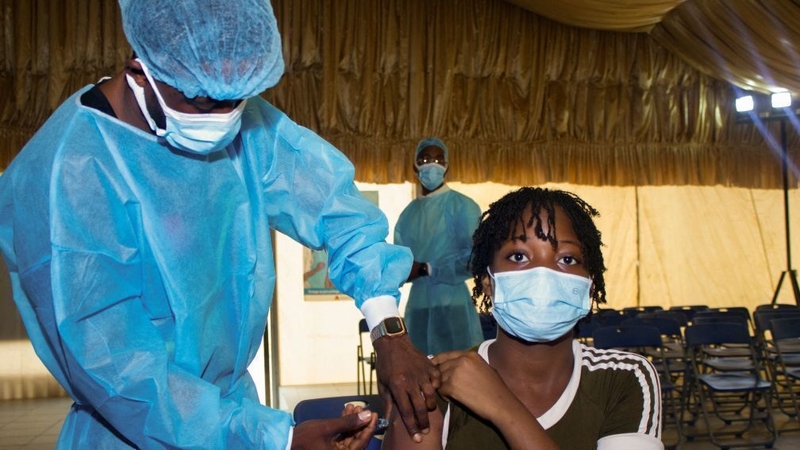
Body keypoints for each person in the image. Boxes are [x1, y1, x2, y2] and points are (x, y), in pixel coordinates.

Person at [0, 0, 440, 448]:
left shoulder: (241, 123)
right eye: (204, 96)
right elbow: (118, 369)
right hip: (129, 431)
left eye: (238, 95)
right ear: (141, 68)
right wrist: (274, 440)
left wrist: (387, 329)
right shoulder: (68, 171)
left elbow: (335, 207)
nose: (226, 114)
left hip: (233, 411)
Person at [383, 187, 664, 449]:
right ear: (488, 283)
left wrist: (502, 406)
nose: (542, 274)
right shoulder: (437, 383)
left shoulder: (624, 378)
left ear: (589, 285)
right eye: (518, 256)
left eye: (567, 259)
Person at [393, 138, 484, 355]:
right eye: (425, 159)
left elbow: (476, 258)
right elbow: (400, 261)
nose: (431, 165)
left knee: (459, 371)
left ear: (447, 166)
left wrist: (428, 269)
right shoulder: (409, 214)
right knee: (421, 372)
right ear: (415, 165)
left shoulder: (463, 206)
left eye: (438, 159)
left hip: (452, 304)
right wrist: (406, 271)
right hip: (419, 304)